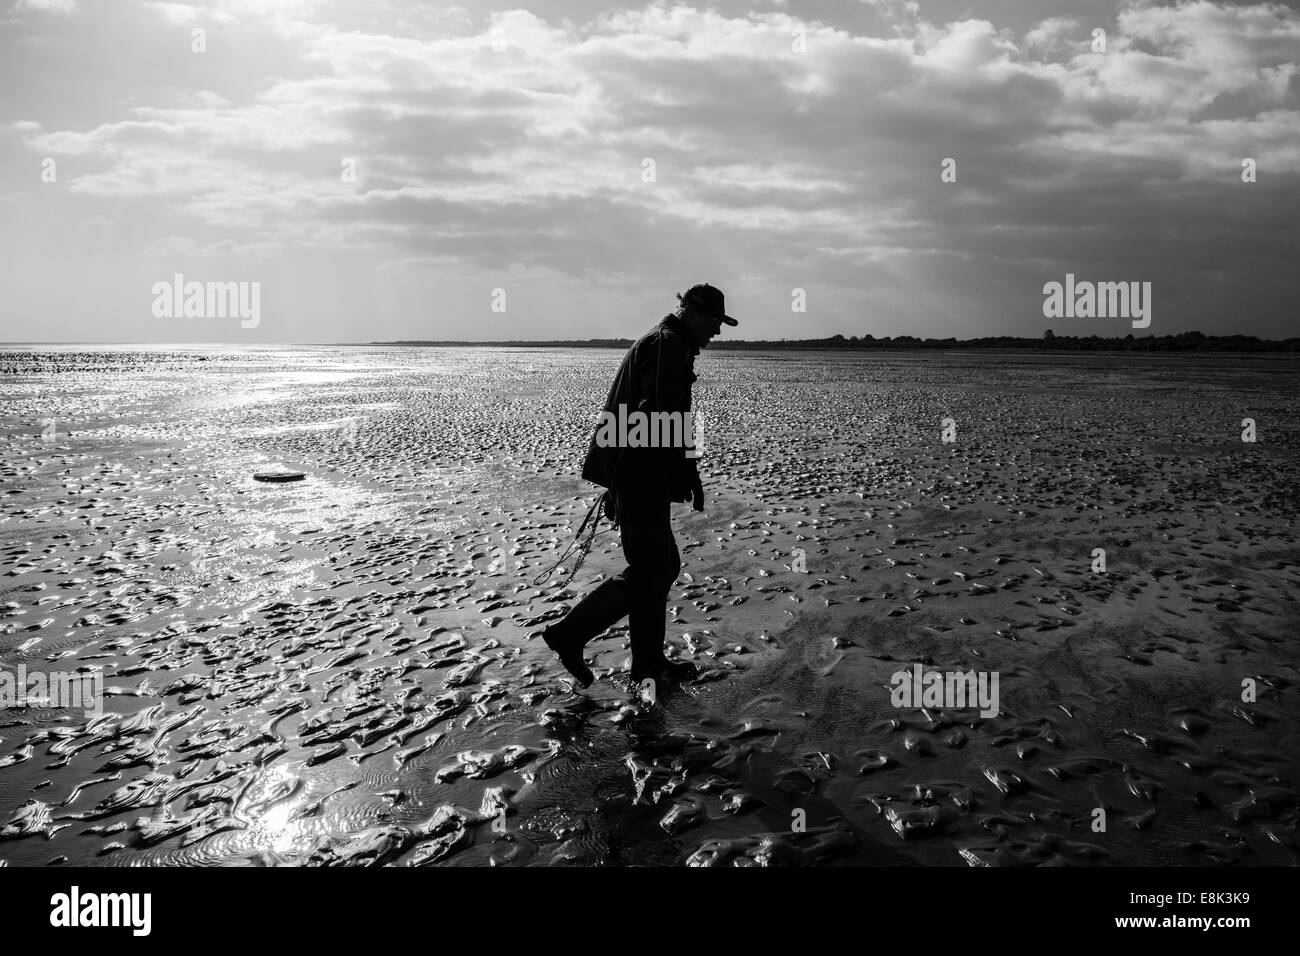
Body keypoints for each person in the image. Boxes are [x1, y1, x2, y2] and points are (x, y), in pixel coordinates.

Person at [541, 283, 739, 688]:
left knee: (656, 567)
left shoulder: (666, 341)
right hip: (638, 474)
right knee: (656, 567)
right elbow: (661, 416)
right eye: (715, 322)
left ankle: (648, 666)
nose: (716, 332)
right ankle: (571, 634)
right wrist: (684, 473)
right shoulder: (668, 345)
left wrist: (664, 475)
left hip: (636, 473)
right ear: (694, 313)